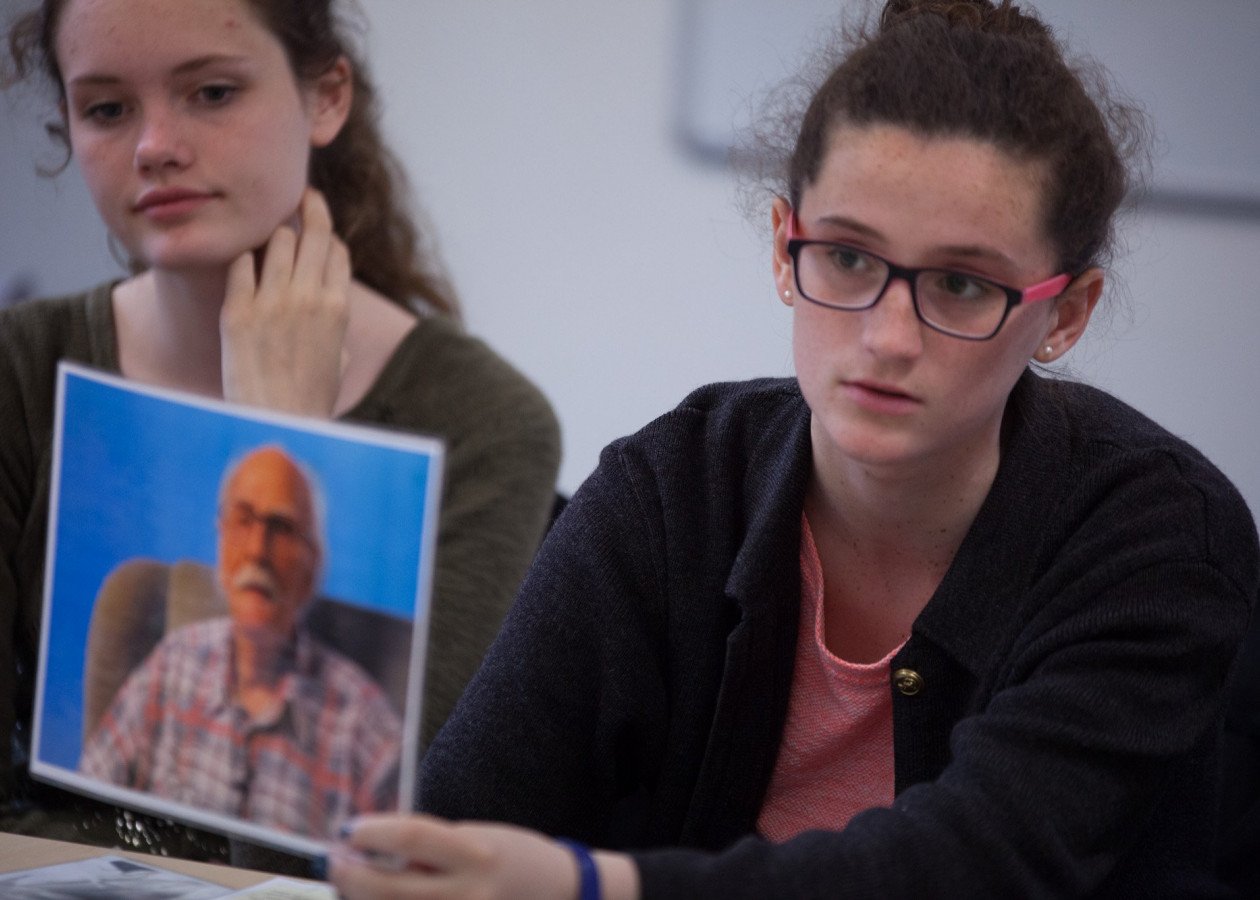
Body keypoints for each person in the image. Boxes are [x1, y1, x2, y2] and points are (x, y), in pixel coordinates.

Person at [327, 1, 1260, 897]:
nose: (890, 336)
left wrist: (594, 886)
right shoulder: (670, 487)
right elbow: (459, 821)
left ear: (1065, 313)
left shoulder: (1162, 536)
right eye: (849, 258)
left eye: (961, 285)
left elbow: (974, 870)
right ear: (785, 248)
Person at [0, 0, 559, 867]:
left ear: (327, 95)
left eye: (212, 92)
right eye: (107, 109)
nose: (155, 146)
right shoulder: (18, 369)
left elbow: (366, 862)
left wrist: (283, 440)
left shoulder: (487, 422)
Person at [80, 446, 403, 840]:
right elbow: (84, 806)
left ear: (312, 564)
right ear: (221, 539)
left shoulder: (366, 729)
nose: (256, 550)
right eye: (243, 520)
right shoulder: (173, 662)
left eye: (281, 528)